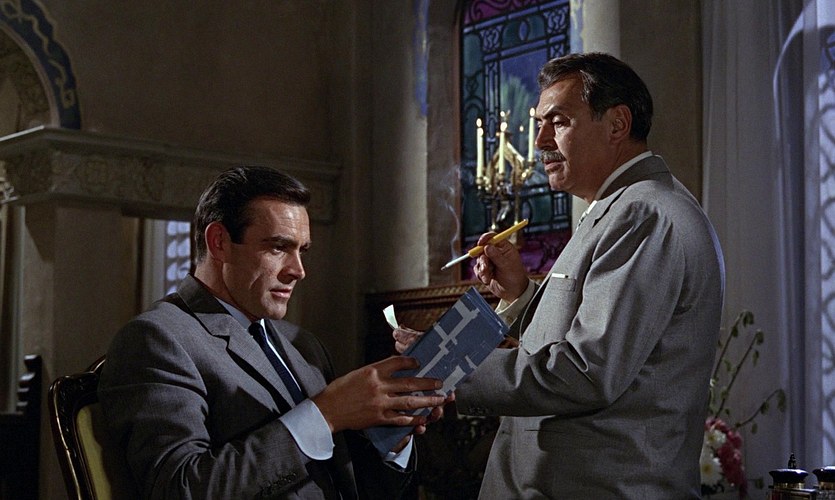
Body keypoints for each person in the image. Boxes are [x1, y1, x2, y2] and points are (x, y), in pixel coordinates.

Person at [395, 52, 725, 498]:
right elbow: (586, 338)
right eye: (539, 123)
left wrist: (449, 367)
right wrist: (521, 294)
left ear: (617, 124)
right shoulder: (617, 209)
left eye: (559, 122)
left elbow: (588, 371)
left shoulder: (643, 214)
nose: (539, 141)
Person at [99, 166, 447, 499]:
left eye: (302, 250)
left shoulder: (304, 345)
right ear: (219, 242)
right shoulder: (157, 339)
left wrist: (392, 437)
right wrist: (325, 413)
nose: (298, 271)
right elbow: (180, 489)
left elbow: (353, 486)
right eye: (278, 247)